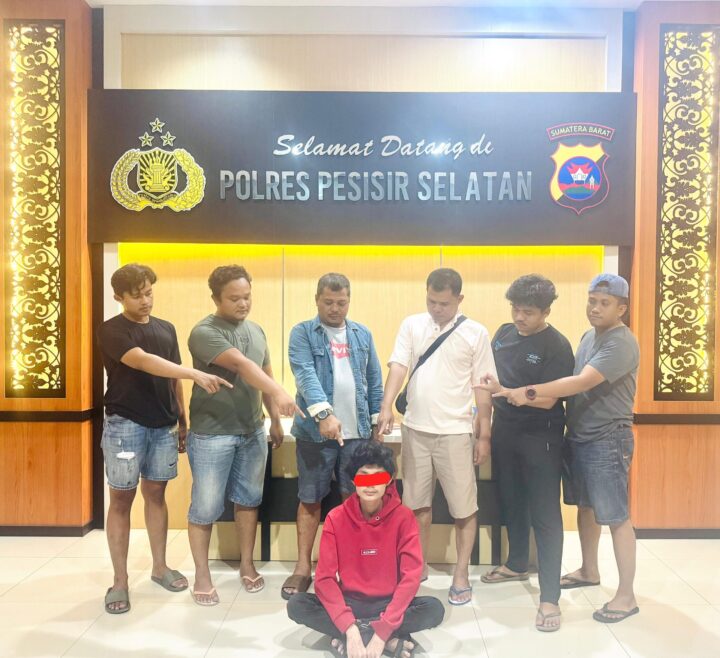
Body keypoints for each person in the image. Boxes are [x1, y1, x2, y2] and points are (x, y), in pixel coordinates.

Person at [491, 273, 640, 624]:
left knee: (615, 516)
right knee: (585, 508)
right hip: (579, 435)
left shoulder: (620, 342)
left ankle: (626, 595)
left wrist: (525, 392)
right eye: (592, 301)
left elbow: (580, 382)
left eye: (604, 303)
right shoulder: (590, 336)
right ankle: (589, 569)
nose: (595, 308)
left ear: (621, 308)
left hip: (607, 437)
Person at [99, 263, 231, 614]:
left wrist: (182, 421)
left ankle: (160, 567)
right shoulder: (111, 330)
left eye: (148, 293)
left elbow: (172, 380)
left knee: (156, 494)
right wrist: (195, 373)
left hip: (163, 425)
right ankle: (120, 581)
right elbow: (144, 362)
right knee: (121, 498)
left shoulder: (166, 328)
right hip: (125, 424)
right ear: (118, 297)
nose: (146, 300)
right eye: (136, 296)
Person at [377, 268, 497, 606]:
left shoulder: (475, 332)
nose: (437, 308)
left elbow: (483, 386)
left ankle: (461, 574)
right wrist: (386, 406)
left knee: (464, 508)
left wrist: (484, 434)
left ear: (459, 299)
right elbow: (398, 366)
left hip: (456, 432)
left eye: (444, 303)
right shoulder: (412, 325)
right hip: (415, 429)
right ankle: (417, 568)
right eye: (431, 301)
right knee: (416, 505)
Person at [186, 265, 302, 605]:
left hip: (252, 431)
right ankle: (202, 574)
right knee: (205, 507)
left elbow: (265, 373)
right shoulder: (204, 332)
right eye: (234, 298)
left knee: (249, 499)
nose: (243, 304)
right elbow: (242, 366)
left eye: (247, 297)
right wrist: (281, 393)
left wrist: (274, 418)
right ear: (216, 298)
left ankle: (247, 564)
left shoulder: (256, 330)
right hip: (212, 435)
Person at [477, 275, 574, 632]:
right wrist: (482, 423)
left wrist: (509, 391)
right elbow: (487, 379)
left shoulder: (557, 345)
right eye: (515, 309)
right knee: (512, 499)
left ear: (546, 311)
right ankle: (517, 563)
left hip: (541, 436)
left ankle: (550, 596)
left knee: (545, 513)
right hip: (506, 430)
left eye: (528, 312)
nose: (519, 317)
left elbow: (549, 398)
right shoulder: (503, 333)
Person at [287, 441, 444, 658]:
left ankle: (362, 635)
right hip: (350, 601)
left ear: (389, 480)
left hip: (388, 602)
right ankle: (377, 637)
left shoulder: (404, 517)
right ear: (353, 480)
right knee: (297, 604)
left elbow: (410, 577)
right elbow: (324, 579)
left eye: (378, 477)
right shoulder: (336, 517)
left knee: (434, 609)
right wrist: (349, 628)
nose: (370, 485)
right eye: (364, 477)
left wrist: (382, 632)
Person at [282, 273, 384, 600]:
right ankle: (303, 568)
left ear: (349, 301)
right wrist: (324, 415)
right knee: (310, 497)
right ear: (317, 299)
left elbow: (374, 379)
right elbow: (305, 375)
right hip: (315, 435)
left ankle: (351, 568)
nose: (335, 309)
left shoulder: (361, 333)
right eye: (328, 302)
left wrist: (376, 421)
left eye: (341, 302)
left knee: (357, 502)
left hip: (358, 436)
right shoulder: (302, 332)